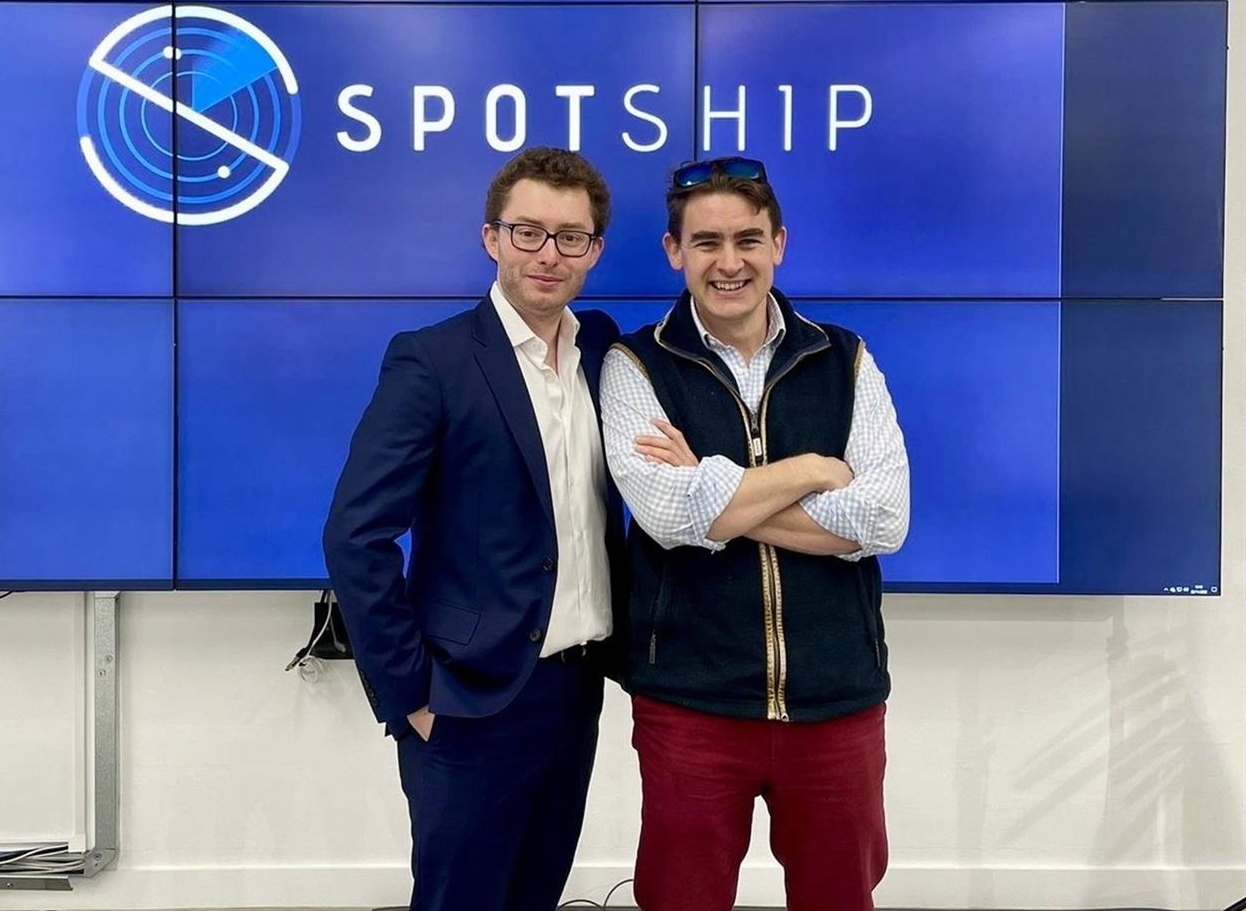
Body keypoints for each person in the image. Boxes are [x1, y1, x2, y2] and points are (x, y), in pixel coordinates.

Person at [599, 156, 910, 911]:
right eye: (706, 242)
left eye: (747, 239)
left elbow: (883, 518)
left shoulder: (844, 358)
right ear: (674, 250)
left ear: (779, 243)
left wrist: (714, 492)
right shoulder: (633, 364)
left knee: (839, 899)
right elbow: (666, 518)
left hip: (836, 700)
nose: (729, 262)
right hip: (690, 701)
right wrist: (812, 468)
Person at [323, 146, 627, 911]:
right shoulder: (433, 360)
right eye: (528, 232)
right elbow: (355, 535)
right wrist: (412, 697)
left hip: (576, 691)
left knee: (536, 894)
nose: (548, 254)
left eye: (570, 236)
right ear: (491, 237)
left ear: (595, 249)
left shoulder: (602, 351)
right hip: (466, 702)